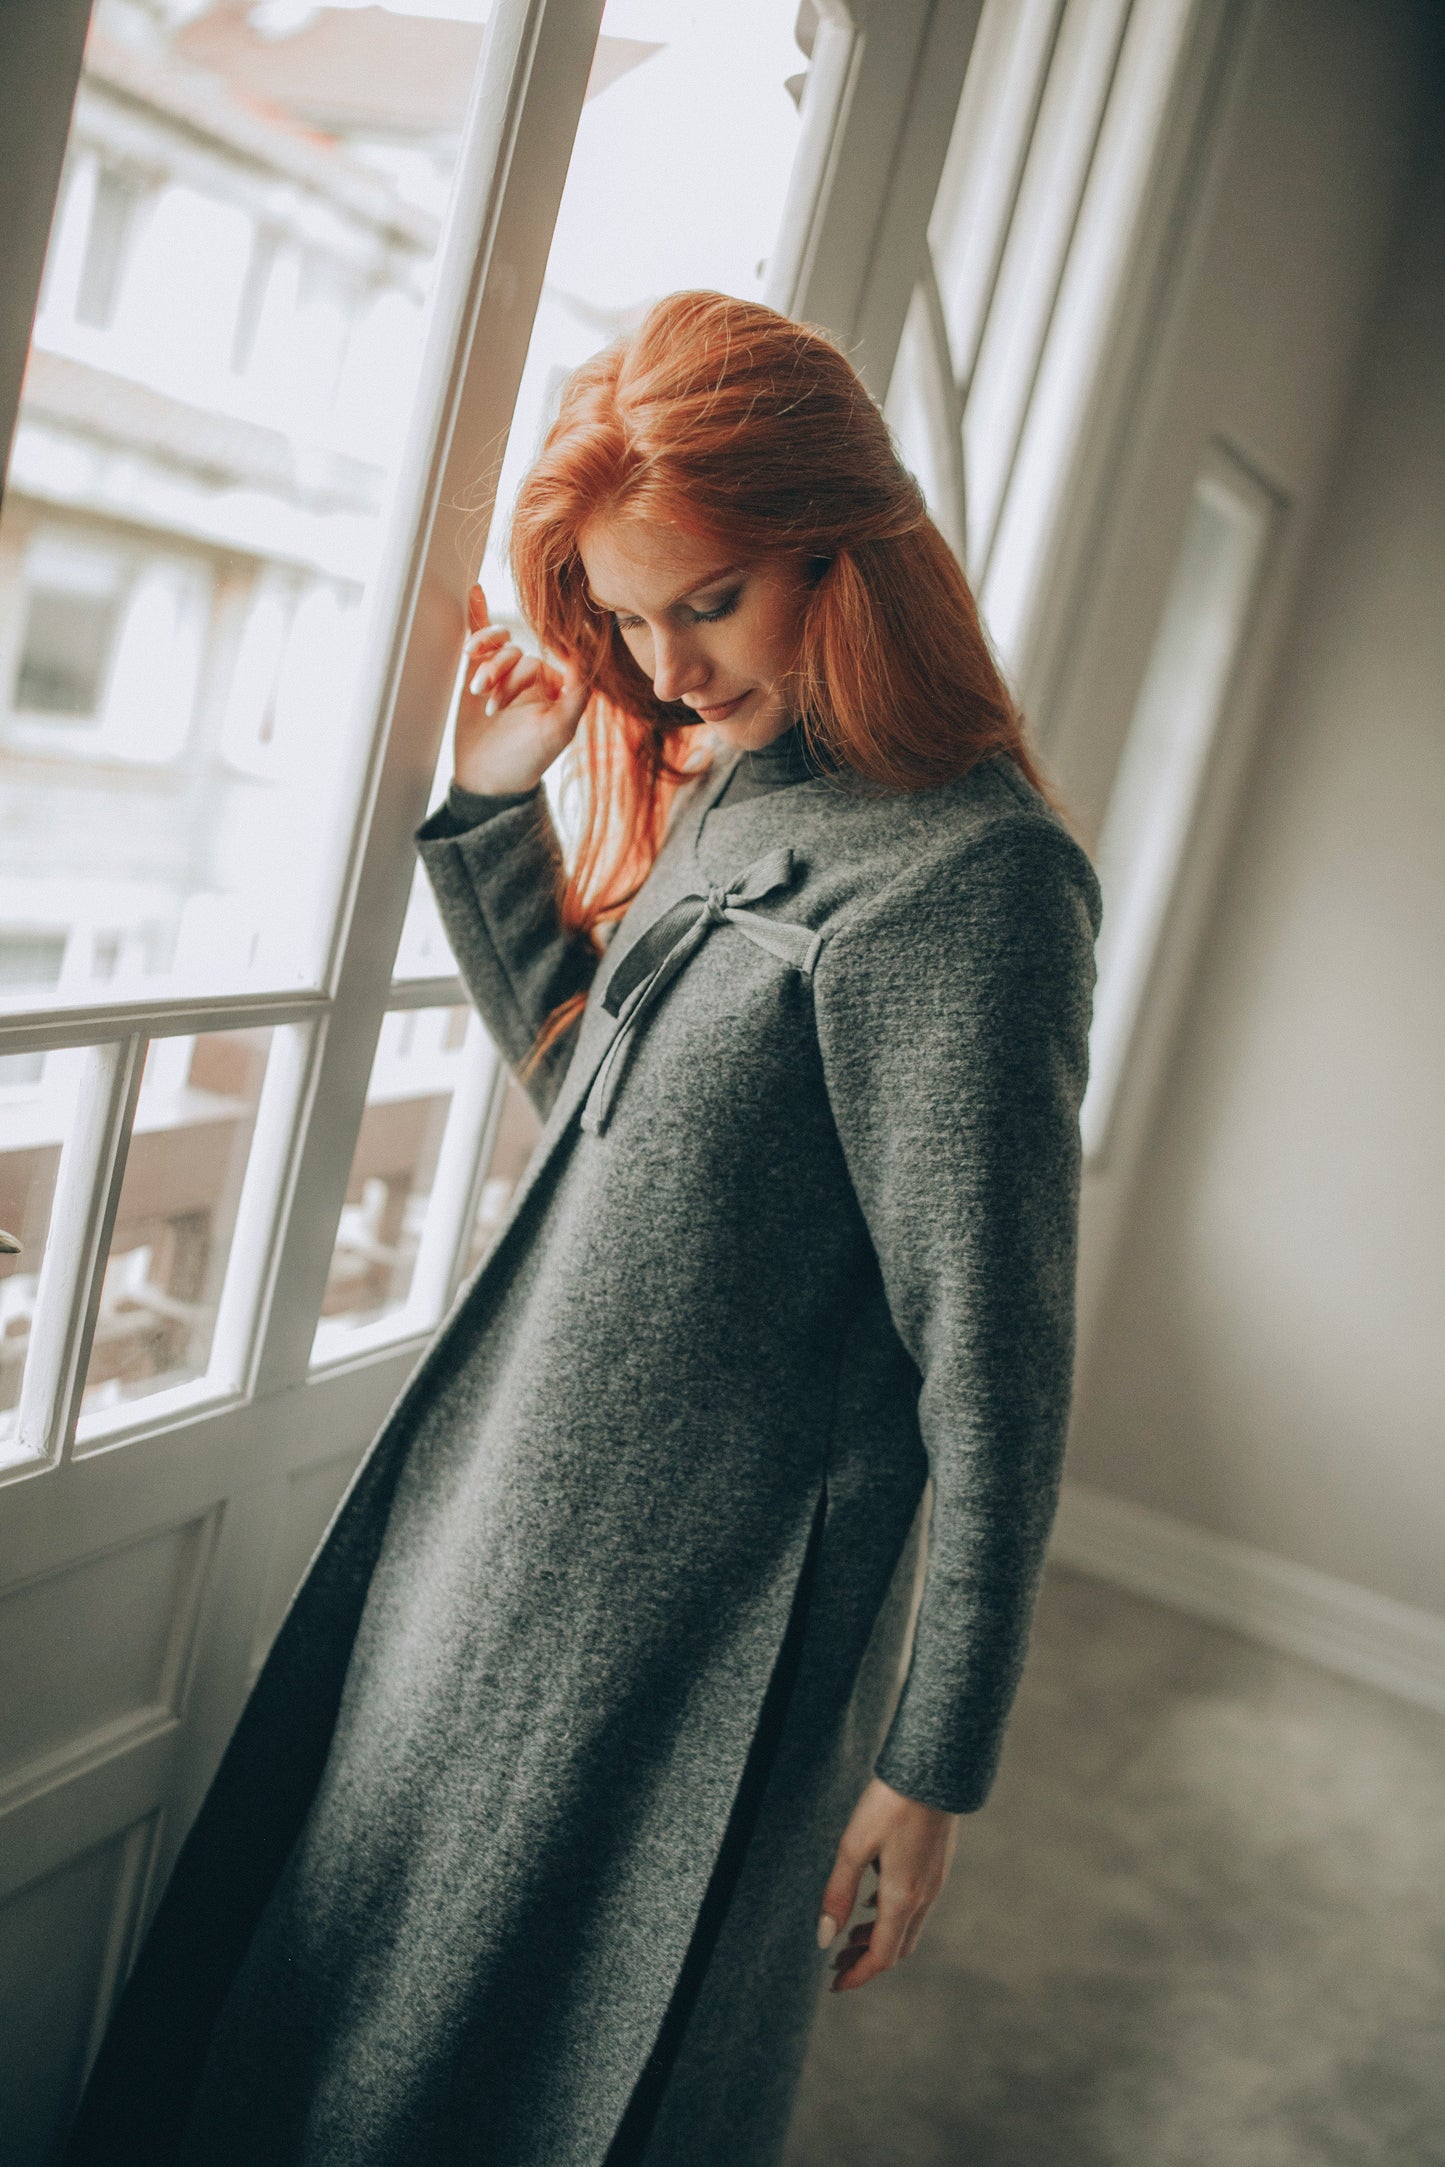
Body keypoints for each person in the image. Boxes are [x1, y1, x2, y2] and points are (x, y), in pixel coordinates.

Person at [62, 290, 1100, 2167]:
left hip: (692, 1622)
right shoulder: (734, 798)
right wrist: (487, 814)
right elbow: (616, 1133)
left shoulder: (973, 885)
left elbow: (999, 1374)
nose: (665, 665)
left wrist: (933, 1761)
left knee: (530, 2079)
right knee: (346, 2016)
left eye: (702, 599)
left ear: (844, 553)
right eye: (628, 617)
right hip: (498, 1524)